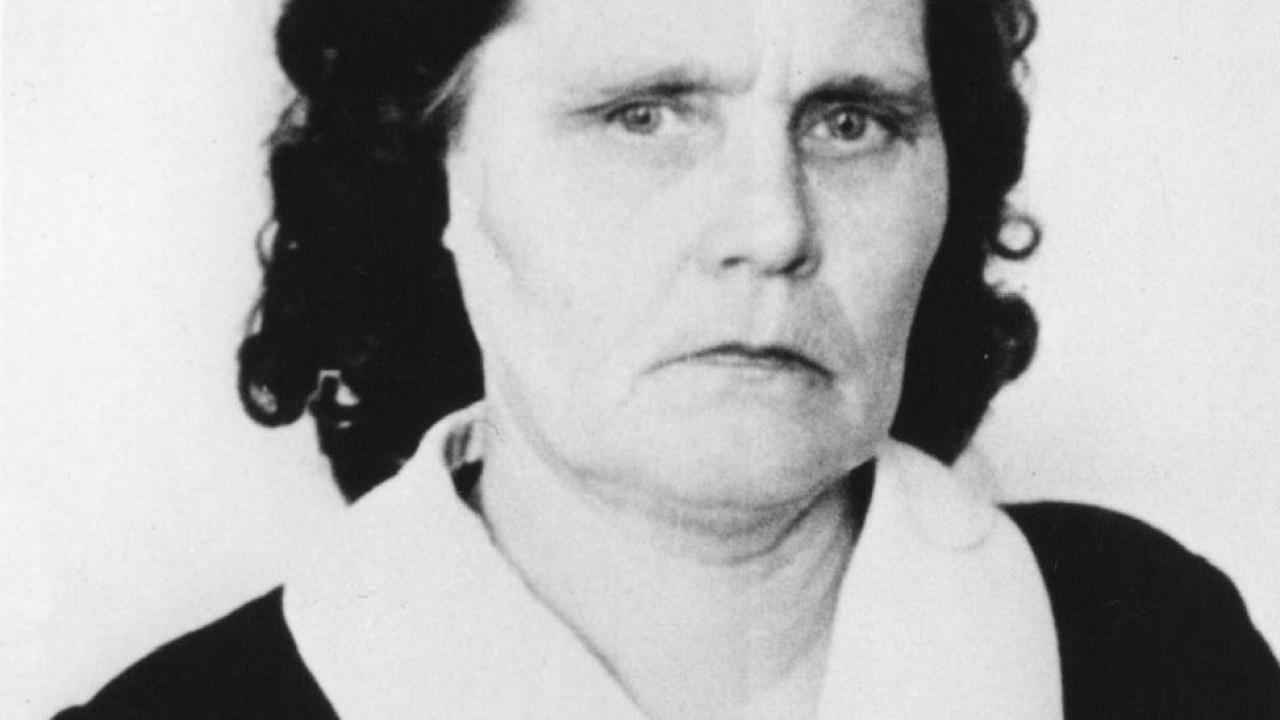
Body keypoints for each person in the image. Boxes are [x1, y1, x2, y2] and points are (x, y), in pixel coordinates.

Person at [54, 0, 1280, 717]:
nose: (773, 227)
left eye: (850, 121)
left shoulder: (1150, 646)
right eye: (642, 115)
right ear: (430, 173)